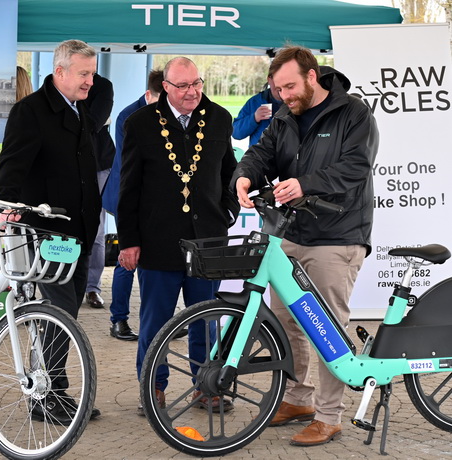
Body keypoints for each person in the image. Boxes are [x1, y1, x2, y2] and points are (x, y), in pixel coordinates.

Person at [232, 45, 379, 446]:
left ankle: (331, 416)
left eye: (290, 87)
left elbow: (355, 167)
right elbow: (261, 153)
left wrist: (305, 183)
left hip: (338, 236)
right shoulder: (285, 114)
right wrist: (244, 175)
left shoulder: (353, 113)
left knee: (328, 329)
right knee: (285, 323)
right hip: (291, 233)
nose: (284, 96)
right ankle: (298, 399)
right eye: (278, 89)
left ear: (312, 77)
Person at [117, 57, 240, 413]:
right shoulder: (140, 123)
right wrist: (129, 240)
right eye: (183, 86)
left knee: (205, 321)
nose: (192, 92)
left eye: (197, 83)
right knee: (156, 322)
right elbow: (129, 188)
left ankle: (207, 386)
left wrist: (229, 208)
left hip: (207, 241)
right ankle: (152, 389)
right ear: (165, 87)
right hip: (158, 240)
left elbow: (229, 169)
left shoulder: (219, 117)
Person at [0, 39, 102, 424]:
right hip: (47, 235)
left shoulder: (79, 109)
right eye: (84, 73)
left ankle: (53, 389)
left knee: (64, 313)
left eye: (92, 72)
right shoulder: (31, 112)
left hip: (79, 232)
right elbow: (10, 167)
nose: (91, 80)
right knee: (59, 314)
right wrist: (6, 210)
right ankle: (46, 396)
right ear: (59, 73)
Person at [102, 69, 163, 341]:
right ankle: (119, 321)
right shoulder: (129, 116)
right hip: (127, 196)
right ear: (149, 94)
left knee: (160, 260)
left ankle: (160, 323)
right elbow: (133, 166)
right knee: (127, 259)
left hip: (152, 199)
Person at [82, 73, 116, 309]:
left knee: (96, 228)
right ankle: (68, 284)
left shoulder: (103, 86)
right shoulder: (58, 82)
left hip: (99, 164)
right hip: (66, 165)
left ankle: (92, 287)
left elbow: (94, 122)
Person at [232, 66, 282, 147]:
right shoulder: (255, 102)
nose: (281, 84)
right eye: (277, 79)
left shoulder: (296, 103)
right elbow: (236, 133)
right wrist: (254, 118)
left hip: (287, 157)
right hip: (259, 157)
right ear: (269, 79)